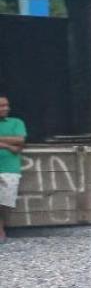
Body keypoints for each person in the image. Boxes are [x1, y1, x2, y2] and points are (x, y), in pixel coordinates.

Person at [0, 94, 26, 241]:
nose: (5, 108)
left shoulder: (16, 122)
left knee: (6, 202)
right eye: (1, 106)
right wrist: (9, 146)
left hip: (10, 168)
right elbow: (15, 144)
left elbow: (20, 140)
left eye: (6, 105)